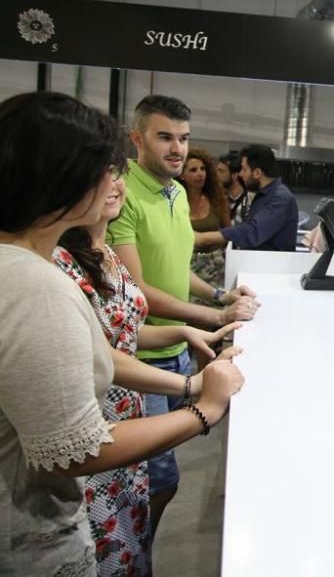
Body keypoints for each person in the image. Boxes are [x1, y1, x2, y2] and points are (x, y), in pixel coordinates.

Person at [0, 92, 245, 576]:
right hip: (32, 545)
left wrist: (189, 379)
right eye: (105, 171)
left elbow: (101, 354)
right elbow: (73, 452)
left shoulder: (30, 266)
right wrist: (205, 409)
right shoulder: (36, 283)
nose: (116, 183)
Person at [54, 170, 240, 576]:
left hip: (128, 411)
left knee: (132, 535)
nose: (115, 185)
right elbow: (101, 355)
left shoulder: (104, 254)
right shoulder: (59, 264)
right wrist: (199, 400)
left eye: (117, 174)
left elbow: (121, 331)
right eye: (101, 175)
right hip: (100, 420)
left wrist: (183, 332)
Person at [108, 94, 258, 538]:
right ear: (137, 138)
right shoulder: (121, 195)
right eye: (165, 137)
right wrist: (211, 317)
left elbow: (176, 266)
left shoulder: (175, 192)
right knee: (157, 478)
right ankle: (136, 555)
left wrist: (218, 293)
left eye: (184, 139)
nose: (177, 148)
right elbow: (137, 292)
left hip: (176, 350)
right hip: (141, 356)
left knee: (159, 476)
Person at [194, 144, 299, 252]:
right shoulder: (263, 195)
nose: (240, 174)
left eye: (244, 170)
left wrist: (202, 238)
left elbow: (252, 232)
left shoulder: (281, 198)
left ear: (257, 173)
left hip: (271, 267)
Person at [179, 147, 231, 291]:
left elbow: (228, 232)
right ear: (182, 175)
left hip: (216, 264)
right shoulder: (175, 202)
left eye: (203, 169)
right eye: (193, 170)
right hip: (185, 263)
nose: (200, 174)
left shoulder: (216, 199)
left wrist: (205, 239)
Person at [218, 151, 249, 224]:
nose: (216, 175)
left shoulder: (249, 201)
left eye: (221, 171)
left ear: (235, 175)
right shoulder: (217, 198)